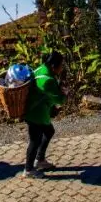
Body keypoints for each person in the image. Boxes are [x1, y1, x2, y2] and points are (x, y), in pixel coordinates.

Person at [21, 50, 67, 178]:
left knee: (49, 131)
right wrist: (64, 92)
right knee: (34, 141)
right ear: (53, 66)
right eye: (61, 65)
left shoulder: (41, 69)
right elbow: (59, 100)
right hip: (37, 115)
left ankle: (39, 160)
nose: (62, 68)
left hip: (35, 111)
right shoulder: (47, 81)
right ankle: (28, 170)